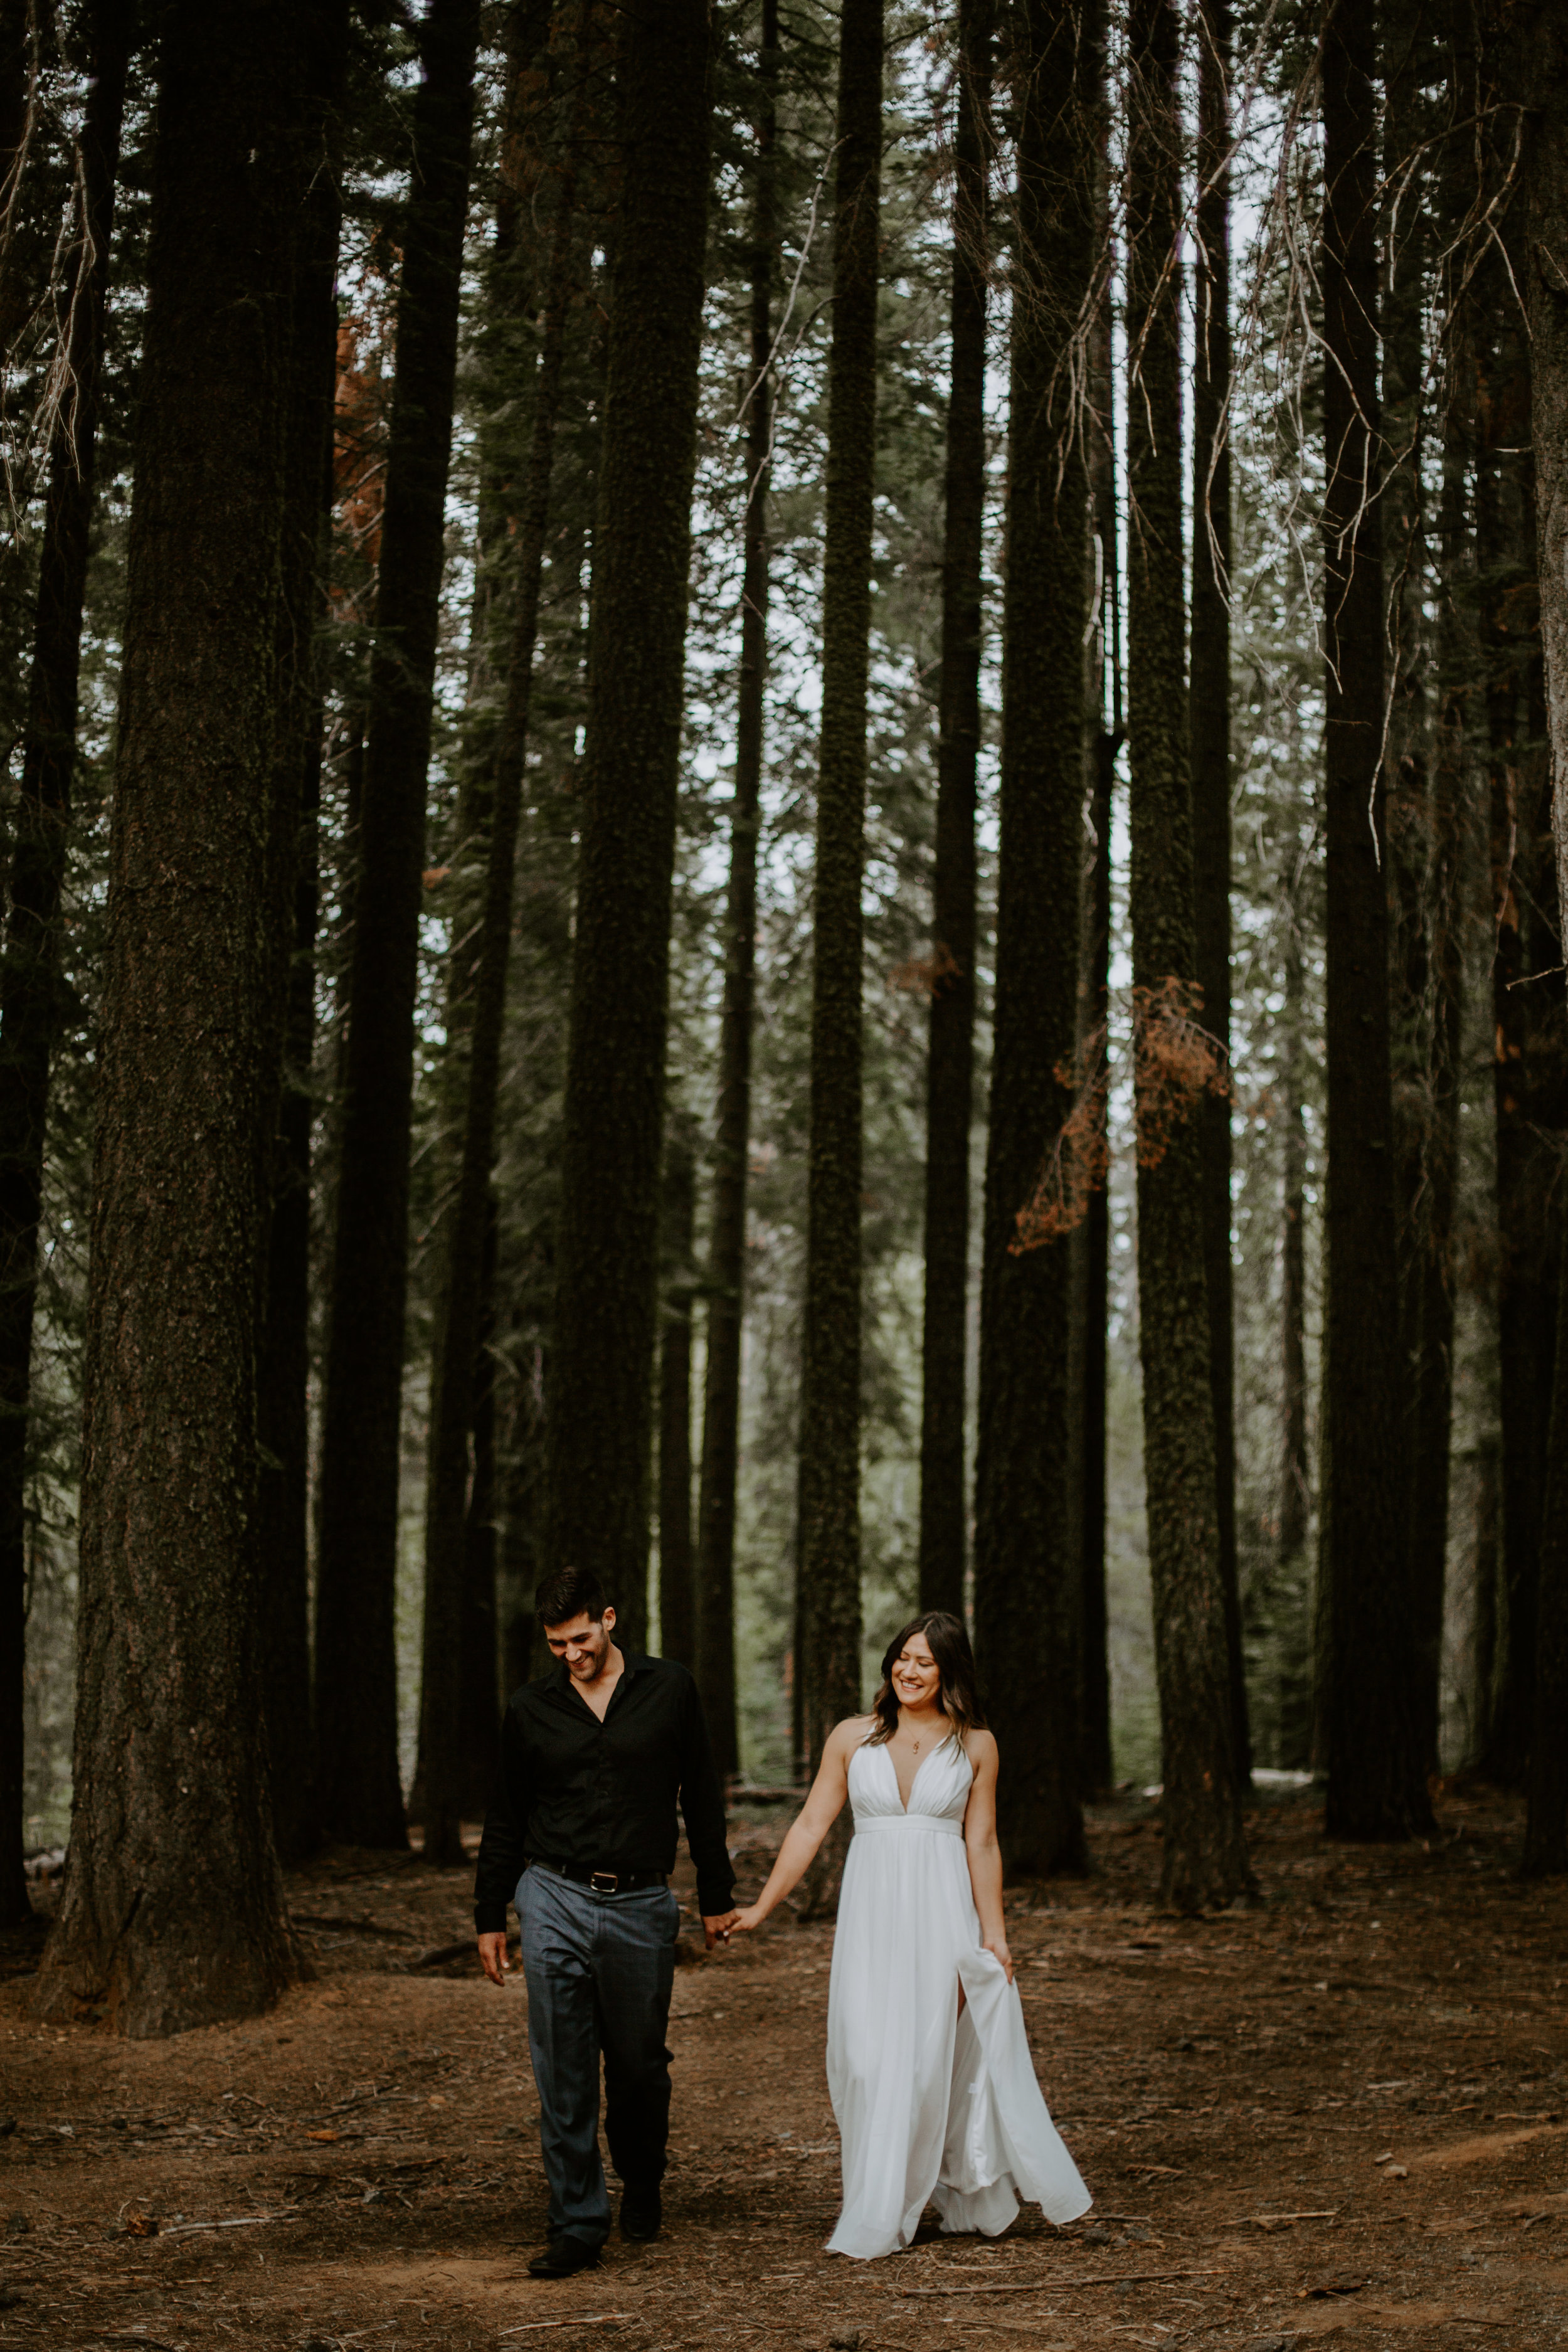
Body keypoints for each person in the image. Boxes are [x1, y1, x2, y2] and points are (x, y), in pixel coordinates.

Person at [729, 1611, 1091, 2259]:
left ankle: (887, 2209)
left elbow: (980, 1842)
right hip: (870, 1921)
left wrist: (995, 1936)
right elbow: (811, 1825)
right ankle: (883, 2191)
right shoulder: (852, 1737)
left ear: (949, 1671)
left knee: (926, 2064)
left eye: (925, 1661)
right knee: (864, 2060)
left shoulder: (975, 1744)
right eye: (903, 1657)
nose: (909, 1670)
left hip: (941, 1916)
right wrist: (761, 1906)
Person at [474, 1566, 738, 2277]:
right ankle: (577, 2222)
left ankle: (642, 2179)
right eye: (557, 1644)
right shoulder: (531, 1709)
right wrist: (489, 1912)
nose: (571, 1655)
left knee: (638, 2067)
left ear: (610, 1618)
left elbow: (702, 1797)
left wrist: (717, 1894)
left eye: (581, 1638)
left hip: (640, 1902)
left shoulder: (669, 1689)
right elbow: (506, 1814)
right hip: (551, 1893)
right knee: (561, 2067)